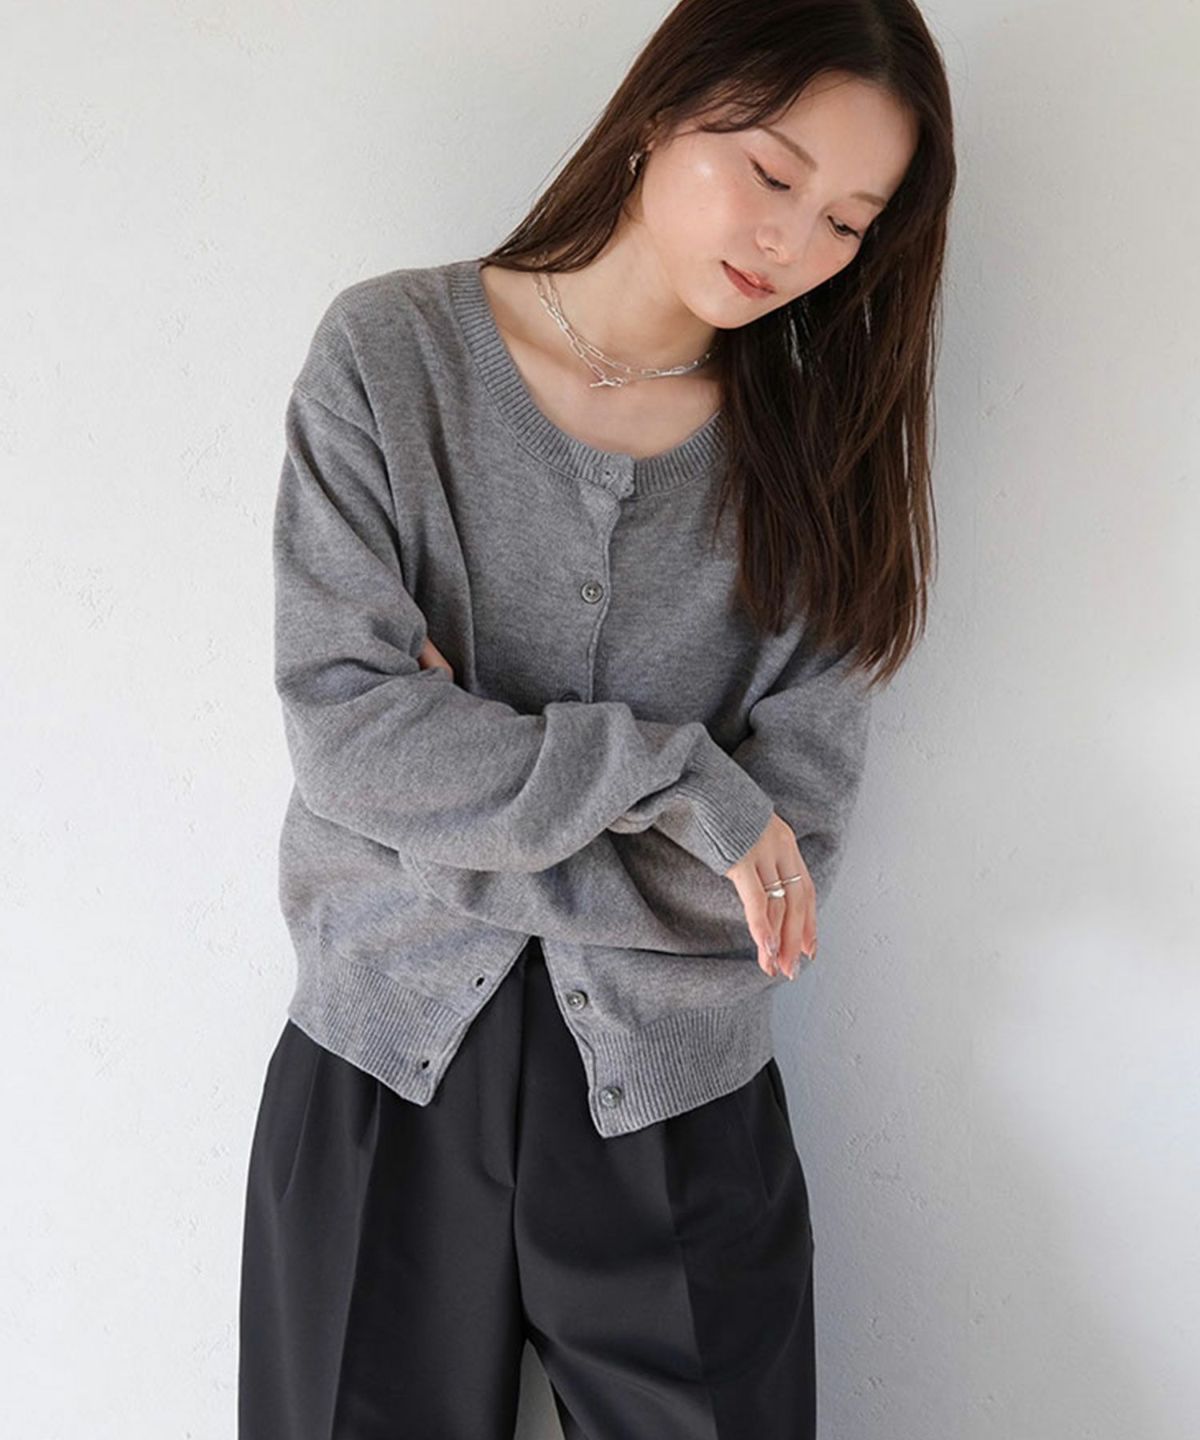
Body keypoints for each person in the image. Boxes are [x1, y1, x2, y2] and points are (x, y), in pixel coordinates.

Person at [238, 0, 955, 1435]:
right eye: (773, 172)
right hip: (384, 1067)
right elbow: (349, 735)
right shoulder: (392, 358)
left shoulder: (826, 470)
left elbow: (785, 863)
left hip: (679, 1098)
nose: (792, 242)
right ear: (664, 107)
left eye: (847, 223)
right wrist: (686, 784)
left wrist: (448, 816)